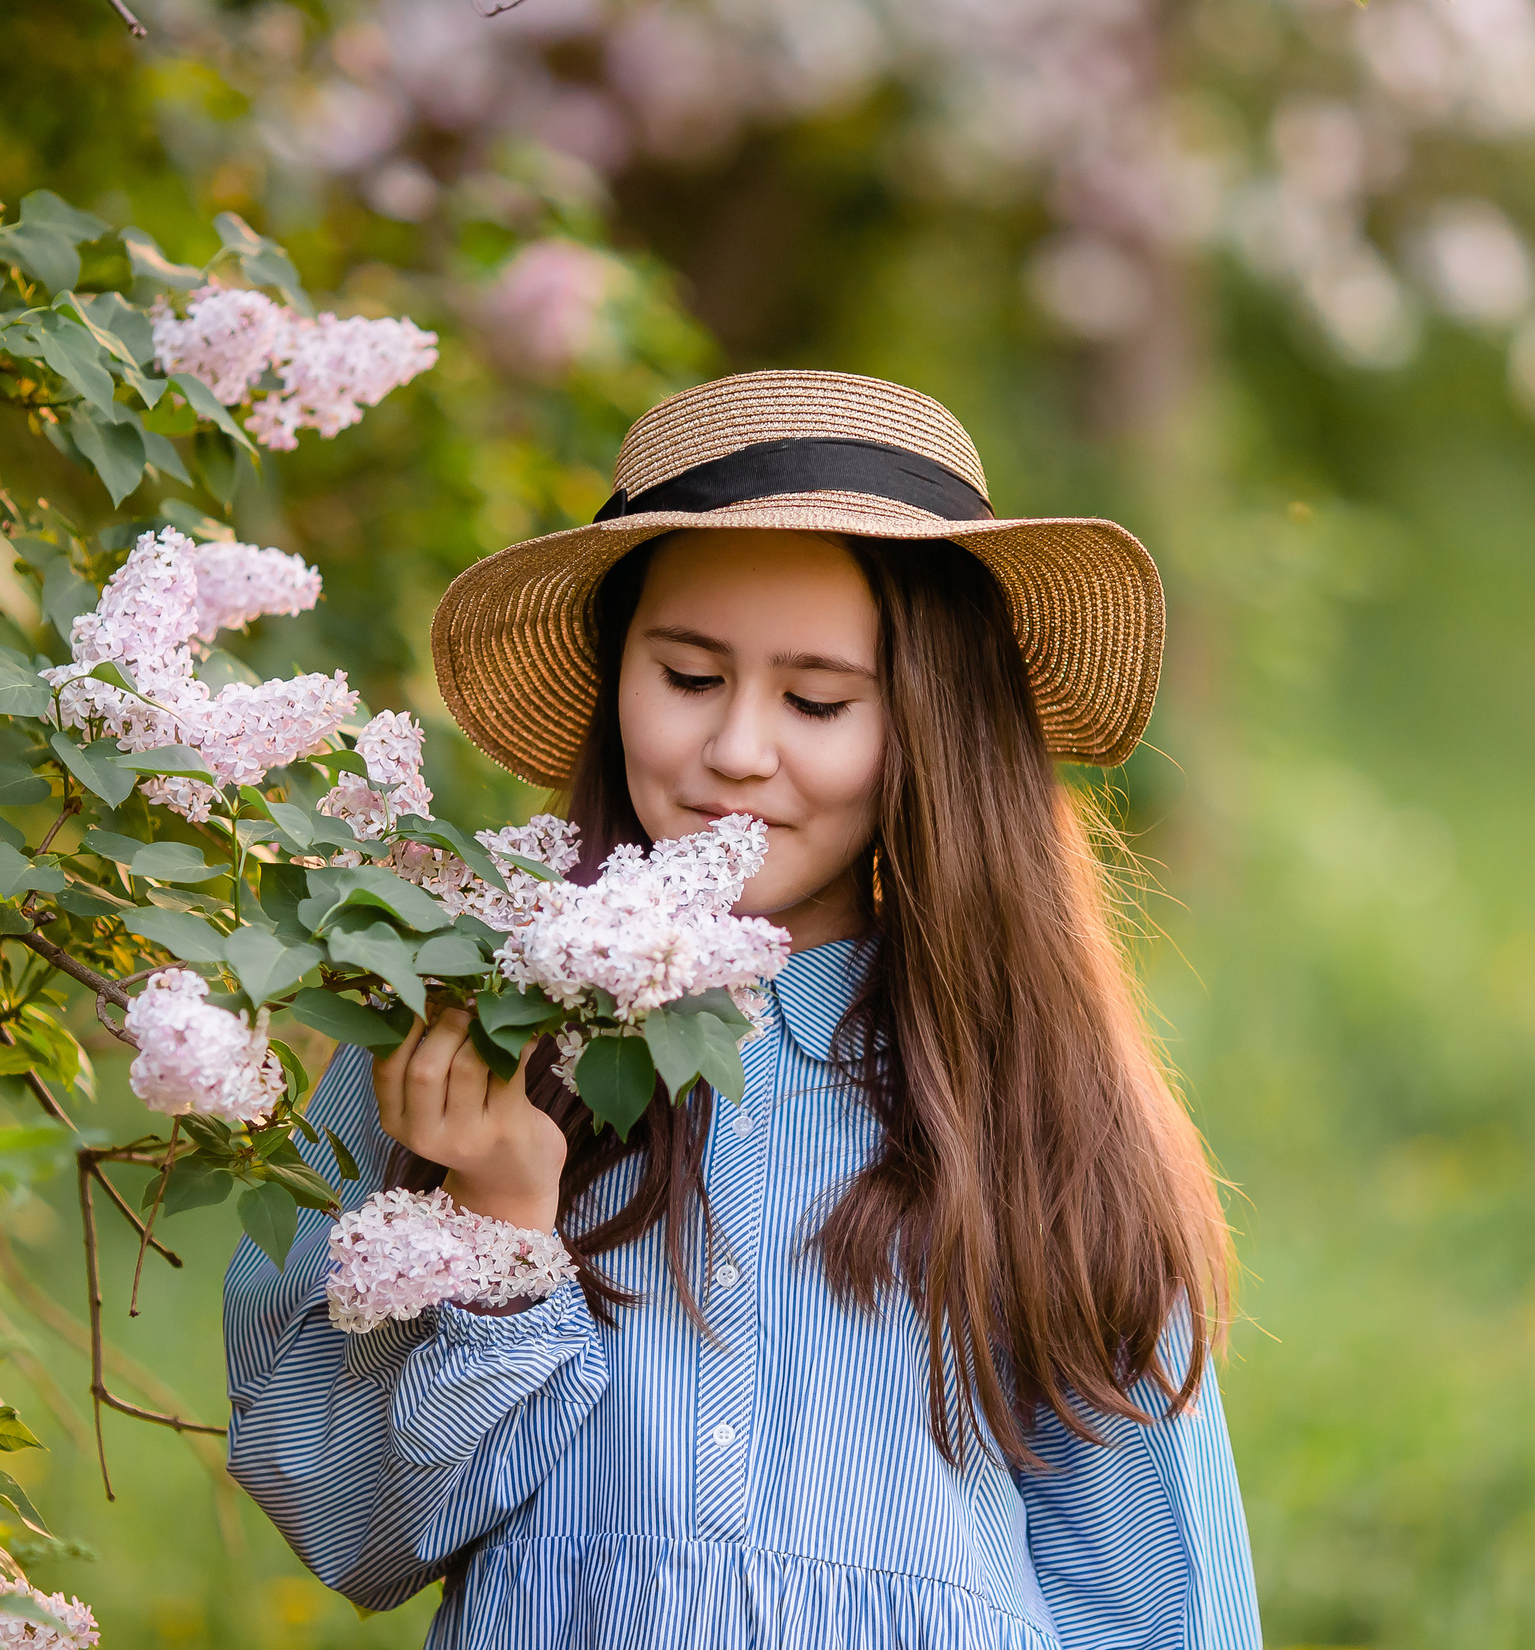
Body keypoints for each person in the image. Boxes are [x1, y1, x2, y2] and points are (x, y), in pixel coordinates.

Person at [223, 370, 1258, 1648]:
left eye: (818, 701)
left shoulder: (1036, 1100)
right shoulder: (457, 1023)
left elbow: (1165, 1607)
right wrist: (492, 1221)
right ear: (617, 681)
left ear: (928, 729)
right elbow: (343, 1522)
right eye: (689, 676)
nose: (738, 751)